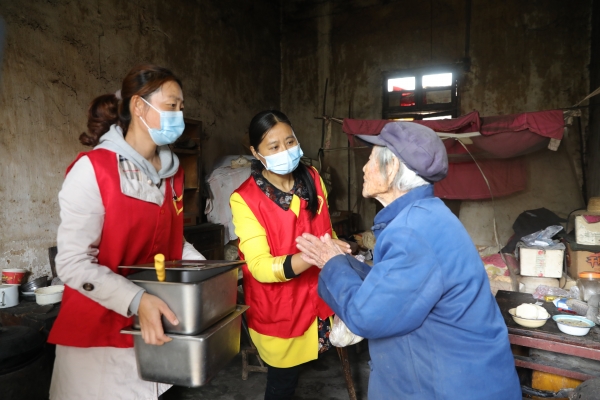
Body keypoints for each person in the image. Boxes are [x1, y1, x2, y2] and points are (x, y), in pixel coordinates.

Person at [296, 122, 522, 400]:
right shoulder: (425, 214)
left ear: (391, 168)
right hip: (457, 378)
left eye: (370, 160)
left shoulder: (411, 231)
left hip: (449, 388)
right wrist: (344, 262)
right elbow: (396, 288)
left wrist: (333, 263)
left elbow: (366, 316)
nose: (364, 168)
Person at [48, 64, 206, 400]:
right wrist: (136, 299)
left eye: (181, 107)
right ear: (138, 106)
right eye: (171, 105)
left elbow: (173, 241)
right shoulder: (94, 170)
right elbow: (73, 263)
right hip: (99, 340)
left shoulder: (172, 174)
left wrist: (210, 276)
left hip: (155, 333)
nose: (178, 115)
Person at [230, 110, 351, 400]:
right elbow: (259, 267)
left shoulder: (313, 178)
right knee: (281, 386)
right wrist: (314, 255)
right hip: (280, 311)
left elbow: (328, 231)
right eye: (273, 147)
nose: (285, 151)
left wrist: (337, 252)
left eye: (290, 141)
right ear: (256, 153)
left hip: (319, 301)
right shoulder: (245, 199)